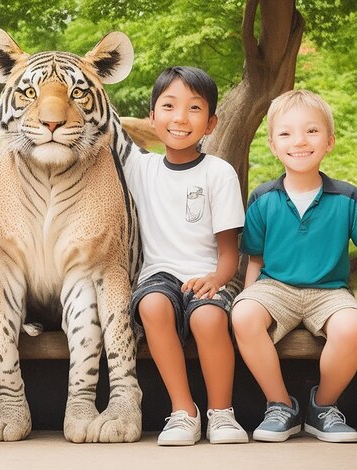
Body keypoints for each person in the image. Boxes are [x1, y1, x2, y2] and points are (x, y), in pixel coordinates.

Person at [124, 66, 248, 445]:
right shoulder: (139, 169)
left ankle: (222, 414)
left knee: (209, 318)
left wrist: (215, 280)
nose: (180, 118)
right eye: (168, 106)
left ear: (211, 123)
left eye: (194, 109)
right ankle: (183, 412)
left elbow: (230, 253)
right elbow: (105, 132)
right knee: (153, 306)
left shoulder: (218, 173)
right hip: (159, 275)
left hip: (210, 274)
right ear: (152, 117)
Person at [231, 89, 357, 443]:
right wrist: (246, 301)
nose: (299, 141)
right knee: (243, 314)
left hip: (329, 291)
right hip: (276, 288)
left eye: (312, 131)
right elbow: (254, 259)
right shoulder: (262, 198)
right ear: (273, 144)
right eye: (286, 133)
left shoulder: (347, 198)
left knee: (352, 327)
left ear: (329, 141)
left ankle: (323, 407)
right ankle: (281, 404)